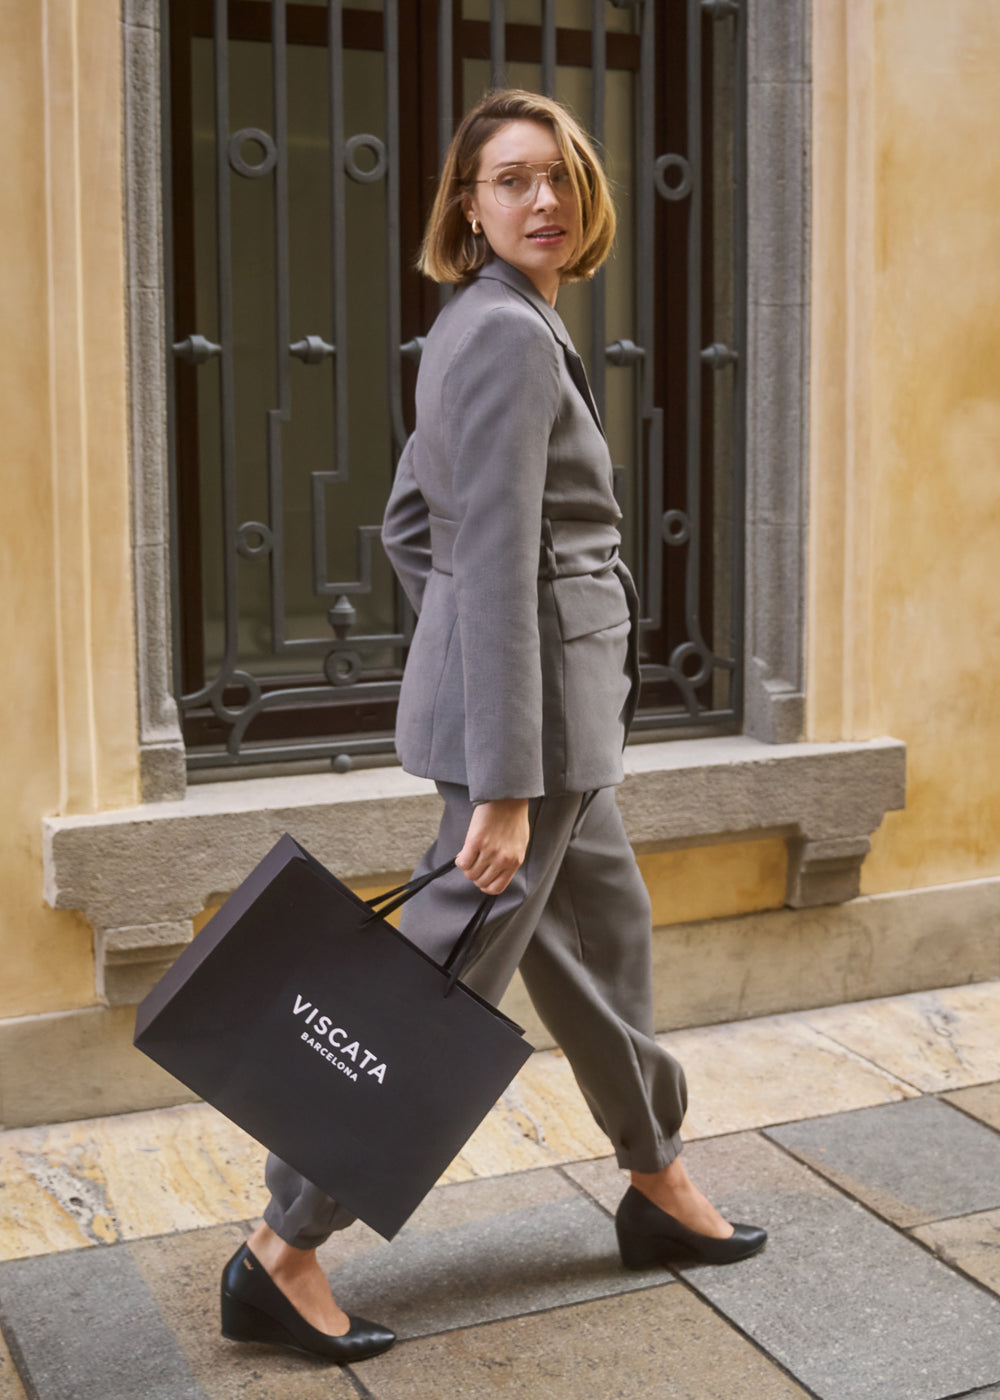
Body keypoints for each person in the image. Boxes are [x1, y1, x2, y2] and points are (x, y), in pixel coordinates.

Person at [219, 87, 766, 1365]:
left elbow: (419, 530)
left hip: (551, 723)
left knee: (603, 944)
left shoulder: (482, 323)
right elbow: (497, 555)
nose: (543, 199)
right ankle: (280, 1247)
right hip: (530, 744)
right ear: (467, 207)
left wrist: (481, 670)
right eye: (511, 179)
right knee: (437, 985)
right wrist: (504, 774)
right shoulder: (507, 336)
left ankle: (655, 1173)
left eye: (559, 175)